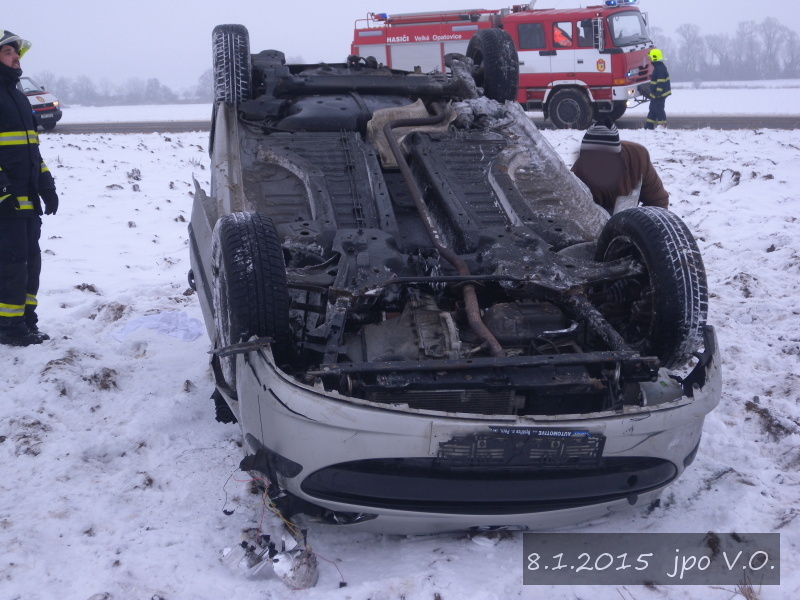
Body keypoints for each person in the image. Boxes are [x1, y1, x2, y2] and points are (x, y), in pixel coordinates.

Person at [0, 30, 59, 346]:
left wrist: (47, 185)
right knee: (11, 264)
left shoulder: (20, 98)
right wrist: (3, 191)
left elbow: (32, 149)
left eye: (16, 52)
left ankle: (25, 320)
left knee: (30, 263)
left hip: (28, 201)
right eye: (8, 52)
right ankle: (8, 326)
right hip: (6, 201)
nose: (16, 58)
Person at [571, 119, 669, 214]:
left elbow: (658, 201)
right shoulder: (578, 175)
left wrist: (643, 223)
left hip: (629, 219)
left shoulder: (638, 158)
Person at [645, 48, 671, 129]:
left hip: (659, 95)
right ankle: (648, 127)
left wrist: (658, 93)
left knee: (659, 110)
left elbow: (661, 82)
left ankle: (662, 126)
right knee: (652, 109)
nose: (649, 59)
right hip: (656, 94)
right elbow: (658, 79)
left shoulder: (659, 68)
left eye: (650, 57)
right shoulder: (658, 67)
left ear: (654, 57)